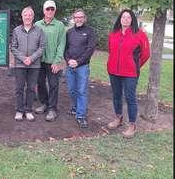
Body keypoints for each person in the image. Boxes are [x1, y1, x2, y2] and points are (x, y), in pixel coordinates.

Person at [106, 9, 150, 138]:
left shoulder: (140, 34)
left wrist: (134, 65)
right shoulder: (113, 34)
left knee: (130, 98)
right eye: (123, 17)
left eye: (128, 17)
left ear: (132, 20)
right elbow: (111, 51)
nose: (125, 19)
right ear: (120, 19)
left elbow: (146, 54)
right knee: (116, 96)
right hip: (114, 71)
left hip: (130, 73)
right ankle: (118, 118)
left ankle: (132, 125)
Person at [11, 6, 45, 122]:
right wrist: (23, 58)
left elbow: (41, 48)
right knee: (19, 88)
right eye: (25, 15)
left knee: (31, 89)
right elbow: (13, 47)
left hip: (34, 65)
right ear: (22, 16)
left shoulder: (39, 30)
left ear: (33, 17)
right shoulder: (16, 30)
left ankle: (28, 110)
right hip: (20, 65)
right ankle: (19, 111)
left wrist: (31, 58)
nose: (28, 17)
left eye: (30, 15)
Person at [34, 0, 66, 121]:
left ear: (55, 11)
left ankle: (52, 108)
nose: (50, 11)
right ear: (44, 10)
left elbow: (61, 44)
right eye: (48, 9)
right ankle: (44, 103)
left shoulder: (60, 25)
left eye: (52, 9)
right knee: (40, 83)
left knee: (53, 84)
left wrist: (57, 61)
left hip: (53, 61)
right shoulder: (37, 24)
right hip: (39, 61)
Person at [64, 9, 96, 128]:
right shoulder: (70, 32)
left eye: (81, 17)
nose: (79, 19)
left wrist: (78, 62)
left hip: (82, 67)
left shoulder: (89, 32)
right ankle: (75, 107)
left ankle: (81, 115)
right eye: (76, 17)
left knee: (81, 91)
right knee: (72, 90)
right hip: (70, 66)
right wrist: (68, 61)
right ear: (73, 18)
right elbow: (65, 49)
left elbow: (90, 49)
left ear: (85, 18)